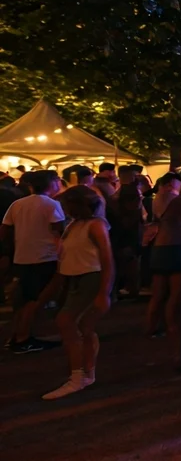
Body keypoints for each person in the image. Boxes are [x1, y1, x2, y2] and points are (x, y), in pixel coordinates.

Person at [42, 186, 114, 400]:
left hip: (90, 279)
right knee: (83, 328)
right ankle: (86, 373)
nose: (63, 209)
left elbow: (107, 259)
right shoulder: (75, 225)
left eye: (66, 205)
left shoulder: (95, 225)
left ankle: (77, 377)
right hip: (77, 279)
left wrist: (104, 292)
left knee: (68, 323)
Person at [3, 170, 65, 354]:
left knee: (24, 298)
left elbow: (5, 229)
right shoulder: (51, 204)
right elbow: (59, 230)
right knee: (38, 298)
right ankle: (23, 338)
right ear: (52, 183)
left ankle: (17, 335)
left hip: (22, 257)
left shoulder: (17, 204)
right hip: (45, 256)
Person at [146, 175, 181, 366]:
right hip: (175, 247)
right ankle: (173, 333)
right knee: (175, 295)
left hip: (159, 247)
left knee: (158, 293)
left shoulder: (158, 198)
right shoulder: (177, 201)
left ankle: (151, 328)